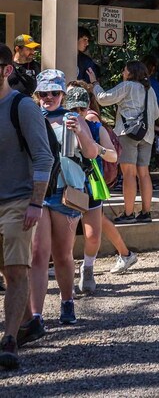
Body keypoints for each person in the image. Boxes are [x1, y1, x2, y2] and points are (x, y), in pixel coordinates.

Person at [29, 69, 99, 328]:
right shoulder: (31, 117)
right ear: (37, 94)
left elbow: (91, 153)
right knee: (38, 254)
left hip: (65, 192)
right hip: (37, 192)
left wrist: (80, 131)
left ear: (63, 95)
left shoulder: (73, 118)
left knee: (62, 254)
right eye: (43, 93)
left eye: (55, 93)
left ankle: (67, 300)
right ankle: (36, 316)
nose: (49, 97)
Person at [0, 45, 52, 370]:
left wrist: (36, 202)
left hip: (18, 201)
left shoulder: (22, 107)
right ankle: (22, 325)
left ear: (6, 70)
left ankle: (9, 342)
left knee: (16, 272)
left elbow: (43, 157)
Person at [65, 82, 138, 274]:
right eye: (73, 108)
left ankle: (90, 266)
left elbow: (113, 156)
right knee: (70, 230)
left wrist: (98, 149)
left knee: (94, 231)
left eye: (82, 108)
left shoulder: (94, 125)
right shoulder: (59, 124)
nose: (78, 112)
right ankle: (65, 264)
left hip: (90, 184)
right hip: (67, 183)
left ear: (87, 106)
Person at [90, 61, 159, 224]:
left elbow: (103, 99)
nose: (123, 72)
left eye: (125, 70)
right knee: (144, 173)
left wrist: (95, 83)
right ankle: (146, 212)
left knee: (129, 173)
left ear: (131, 73)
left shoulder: (127, 86)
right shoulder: (150, 90)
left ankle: (128, 213)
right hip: (147, 135)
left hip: (128, 133)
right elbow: (155, 114)